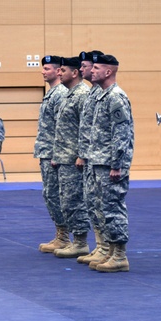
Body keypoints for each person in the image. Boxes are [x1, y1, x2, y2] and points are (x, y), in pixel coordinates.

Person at [84, 54, 133, 273]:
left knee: (113, 208)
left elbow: (121, 134)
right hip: (99, 161)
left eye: (96, 68)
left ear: (108, 71)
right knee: (103, 208)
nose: (92, 71)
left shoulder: (115, 97)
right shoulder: (103, 96)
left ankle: (120, 255)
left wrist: (117, 164)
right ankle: (111, 250)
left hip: (110, 163)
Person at [51, 55, 92, 258]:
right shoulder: (69, 94)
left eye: (63, 70)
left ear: (74, 73)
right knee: (66, 200)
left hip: (74, 159)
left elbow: (86, 128)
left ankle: (81, 242)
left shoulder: (82, 94)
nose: (59, 73)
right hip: (65, 157)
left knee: (75, 200)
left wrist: (82, 155)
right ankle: (74, 240)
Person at [33, 55, 69, 253]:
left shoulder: (60, 93)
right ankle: (60, 234)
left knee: (57, 195)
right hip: (46, 151)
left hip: (55, 154)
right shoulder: (52, 93)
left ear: (57, 71)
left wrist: (57, 153)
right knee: (50, 195)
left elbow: (62, 128)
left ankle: (65, 237)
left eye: (47, 68)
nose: (43, 71)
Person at [77, 50, 107, 264]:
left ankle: (107, 248)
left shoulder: (109, 95)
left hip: (102, 159)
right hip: (92, 158)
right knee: (93, 205)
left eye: (89, 66)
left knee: (104, 205)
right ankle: (101, 246)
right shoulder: (92, 94)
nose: (84, 70)